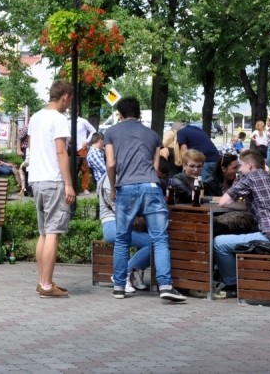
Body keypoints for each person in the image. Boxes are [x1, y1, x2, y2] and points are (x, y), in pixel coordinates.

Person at [106, 97, 186, 302]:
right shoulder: (153, 135)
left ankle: (118, 287)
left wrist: (114, 188)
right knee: (160, 239)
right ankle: (166, 285)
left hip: (126, 187)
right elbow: (156, 167)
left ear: (120, 115)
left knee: (122, 239)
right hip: (151, 186)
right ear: (139, 114)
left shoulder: (111, 133)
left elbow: (111, 163)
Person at [213, 149, 270, 297]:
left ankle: (232, 285)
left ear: (249, 165)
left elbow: (223, 202)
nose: (239, 169)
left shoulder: (251, 178)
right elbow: (248, 206)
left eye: (240, 166)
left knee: (219, 242)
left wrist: (228, 196)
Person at [27, 80, 75, 298]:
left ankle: (42, 280)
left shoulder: (36, 117)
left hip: (36, 179)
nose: (69, 104)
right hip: (54, 180)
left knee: (44, 233)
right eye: (70, 100)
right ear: (65, 96)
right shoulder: (59, 119)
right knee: (53, 233)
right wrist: (68, 183)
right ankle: (46, 285)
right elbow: (61, 152)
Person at [94, 132, 150, 292]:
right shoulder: (109, 179)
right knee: (153, 243)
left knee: (153, 241)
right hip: (112, 225)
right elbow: (118, 209)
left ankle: (131, 273)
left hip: (119, 224)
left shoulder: (122, 177)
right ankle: (122, 273)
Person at [75, 115, 97, 194]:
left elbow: (93, 130)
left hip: (81, 146)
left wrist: (87, 141)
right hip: (70, 147)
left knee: (84, 168)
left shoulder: (82, 121)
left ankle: (85, 188)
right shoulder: (66, 121)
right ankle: (74, 188)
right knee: (71, 168)